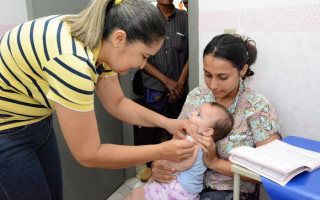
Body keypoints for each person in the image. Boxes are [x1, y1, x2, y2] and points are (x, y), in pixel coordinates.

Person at [0, 0, 197, 199]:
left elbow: (117, 103)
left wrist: (168, 123)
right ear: (120, 38)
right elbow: (89, 154)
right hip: (7, 131)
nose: (141, 65)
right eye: (143, 56)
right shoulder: (72, 62)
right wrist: (162, 151)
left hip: (37, 120)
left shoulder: (102, 43)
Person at [151, 33, 282, 200]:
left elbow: (271, 172)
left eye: (222, 77)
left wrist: (215, 163)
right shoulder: (197, 96)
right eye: (207, 75)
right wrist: (159, 163)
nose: (213, 85)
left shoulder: (256, 107)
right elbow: (175, 140)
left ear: (242, 70)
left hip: (228, 189)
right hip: (182, 181)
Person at [125, 102, 234, 200]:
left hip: (175, 190)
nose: (193, 112)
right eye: (196, 110)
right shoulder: (200, 141)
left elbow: (183, 164)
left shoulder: (194, 142)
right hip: (184, 190)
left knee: (134, 195)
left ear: (207, 131)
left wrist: (163, 162)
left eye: (198, 114)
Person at [137, 0, 189, 181]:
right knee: (151, 128)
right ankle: (150, 166)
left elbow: (192, 52)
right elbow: (140, 57)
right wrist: (167, 82)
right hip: (154, 85)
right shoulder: (145, 18)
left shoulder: (185, 17)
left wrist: (179, 83)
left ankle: (174, 165)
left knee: (178, 126)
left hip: (180, 86)